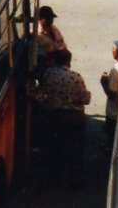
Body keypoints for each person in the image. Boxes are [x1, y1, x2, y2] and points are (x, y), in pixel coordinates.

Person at [30, 47, 91, 185]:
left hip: (54, 117)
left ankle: (55, 176)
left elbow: (39, 96)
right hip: (74, 119)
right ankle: (74, 179)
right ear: (69, 62)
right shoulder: (76, 77)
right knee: (74, 150)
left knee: (55, 147)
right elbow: (86, 99)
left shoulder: (48, 74)